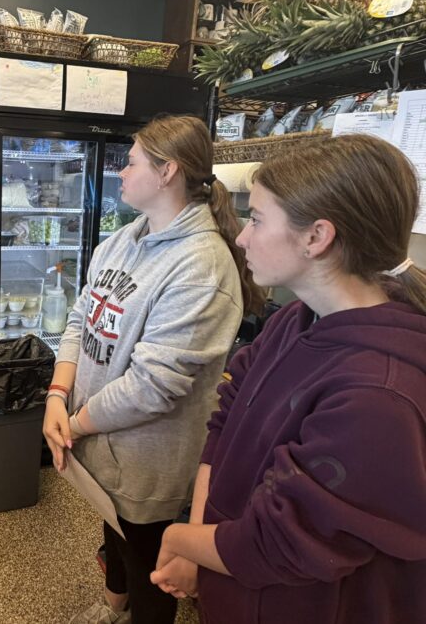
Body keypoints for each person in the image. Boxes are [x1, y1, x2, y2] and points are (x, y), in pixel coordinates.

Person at [151, 134, 426, 623]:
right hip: (236, 581)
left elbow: (285, 542)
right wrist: (201, 541)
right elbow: (226, 419)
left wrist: (177, 538)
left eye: (256, 219)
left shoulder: (377, 395)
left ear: (316, 237)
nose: (240, 237)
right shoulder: (295, 318)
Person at [43, 115, 264, 624]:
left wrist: (71, 425)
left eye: (132, 161)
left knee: (149, 566)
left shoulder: (201, 266)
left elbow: (153, 387)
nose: (120, 172)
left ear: (168, 172)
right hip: (97, 441)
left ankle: (132, 607)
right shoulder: (123, 239)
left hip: (148, 461)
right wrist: (58, 393)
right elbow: (81, 317)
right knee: (112, 532)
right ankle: (112, 602)